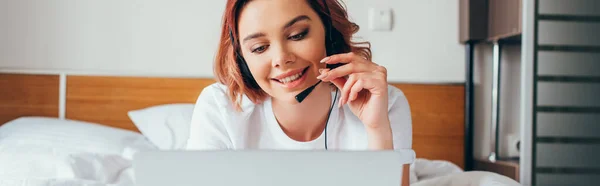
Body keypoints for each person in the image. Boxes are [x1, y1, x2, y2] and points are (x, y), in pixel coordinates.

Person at [186, 0, 412, 185]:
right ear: (243, 60)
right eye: (259, 48)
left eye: (297, 35)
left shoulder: (384, 103)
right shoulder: (219, 107)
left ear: (329, 33)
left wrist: (377, 129)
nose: (281, 58)